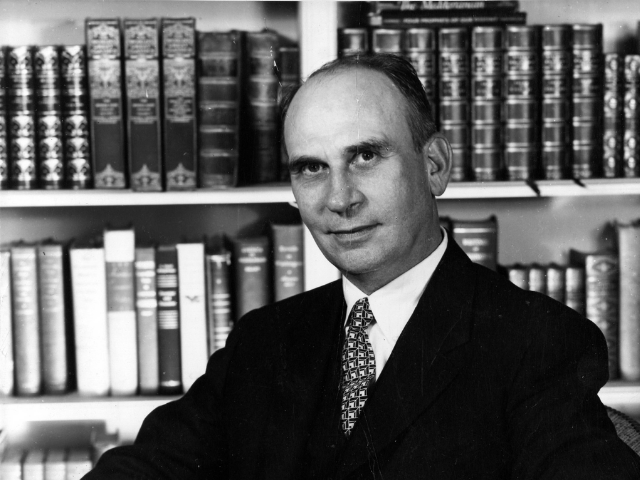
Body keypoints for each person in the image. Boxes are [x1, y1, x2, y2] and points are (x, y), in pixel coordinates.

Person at [85, 54, 640, 479]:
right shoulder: (264, 341)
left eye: (366, 156)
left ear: (435, 166)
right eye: (311, 168)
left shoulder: (537, 342)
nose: (339, 198)